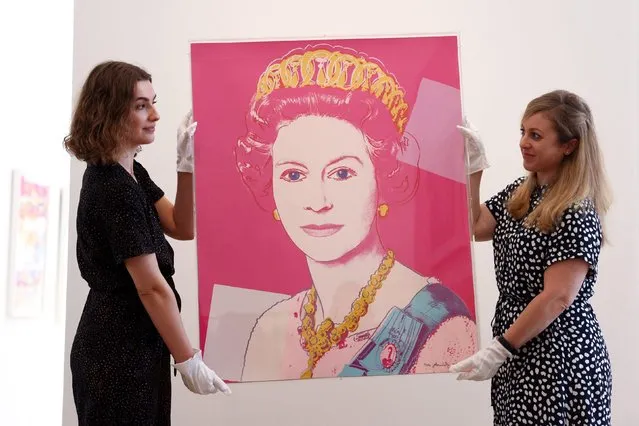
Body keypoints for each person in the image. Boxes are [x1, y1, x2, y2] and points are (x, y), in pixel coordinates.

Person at [235, 45, 477, 382]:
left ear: (383, 177)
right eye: (293, 175)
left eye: (342, 173)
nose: (317, 201)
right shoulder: (270, 328)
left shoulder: (438, 323)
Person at [64, 60, 230, 426]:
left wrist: (186, 167)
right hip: (117, 354)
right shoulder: (113, 187)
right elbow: (151, 287)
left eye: (153, 102)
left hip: (137, 347)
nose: (155, 114)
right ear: (109, 111)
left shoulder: (131, 172)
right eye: (141, 105)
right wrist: (187, 359)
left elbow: (181, 226)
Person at [450, 90, 613, 425]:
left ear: (569, 145)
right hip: (520, 349)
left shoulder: (576, 210)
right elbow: (476, 226)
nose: (524, 142)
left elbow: (558, 296)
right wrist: (473, 170)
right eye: (523, 132)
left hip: (557, 357)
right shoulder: (523, 193)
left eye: (536, 135)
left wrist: (500, 349)